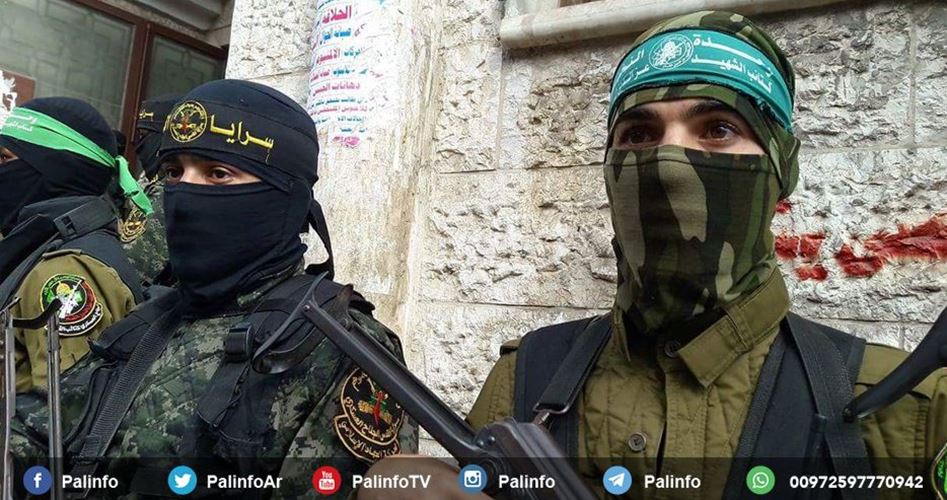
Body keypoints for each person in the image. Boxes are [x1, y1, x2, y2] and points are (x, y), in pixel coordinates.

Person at [362, 11, 947, 499]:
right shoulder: (527, 379)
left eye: (718, 129)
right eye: (639, 134)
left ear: (779, 168)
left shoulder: (902, 406)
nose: (668, 163)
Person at [11, 79, 418, 499]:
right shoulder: (154, 319)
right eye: (174, 172)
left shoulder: (336, 348)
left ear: (283, 196)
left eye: (218, 174)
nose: (185, 194)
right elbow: (40, 433)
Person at [0, 97, 146, 391]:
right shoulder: (38, 243)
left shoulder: (66, 272)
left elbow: (63, 406)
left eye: (4, 159)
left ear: (55, 172)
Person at [116, 94, 181, 286]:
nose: (138, 144)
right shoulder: (151, 181)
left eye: (145, 136)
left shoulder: (172, 192)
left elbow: (133, 268)